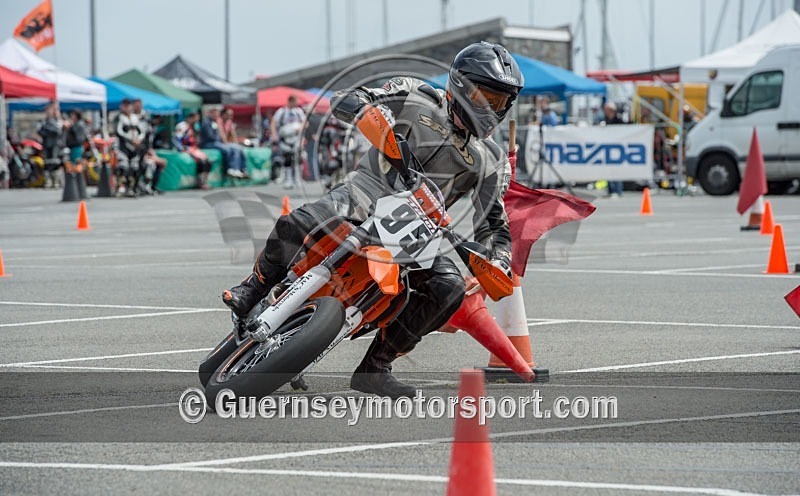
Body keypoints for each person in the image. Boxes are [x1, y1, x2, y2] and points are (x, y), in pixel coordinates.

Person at [222, 42, 523, 398]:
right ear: (461, 83)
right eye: (486, 95)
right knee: (301, 220)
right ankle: (252, 287)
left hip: (420, 230)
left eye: (501, 101)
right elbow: (350, 97)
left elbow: (493, 222)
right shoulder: (416, 94)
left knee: (450, 288)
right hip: (365, 194)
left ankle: (376, 368)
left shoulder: (492, 159)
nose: (492, 107)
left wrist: (499, 260)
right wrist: (361, 106)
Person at [201, 106, 248, 179]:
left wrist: (235, 142)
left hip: (218, 142)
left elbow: (233, 133)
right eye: (214, 114)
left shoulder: (218, 122)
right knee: (227, 149)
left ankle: (240, 169)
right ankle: (229, 168)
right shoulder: (208, 122)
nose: (216, 116)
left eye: (217, 114)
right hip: (210, 143)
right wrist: (224, 142)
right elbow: (216, 135)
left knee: (238, 149)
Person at [270, 95, 306, 188]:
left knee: (298, 159)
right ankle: (288, 180)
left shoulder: (299, 111)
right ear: (290, 101)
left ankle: (298, 179)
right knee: (287, 158)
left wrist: (300, 129)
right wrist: (274, 136)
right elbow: (273, 123)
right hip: (286, 139)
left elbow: (305, 122)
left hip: (296, 138)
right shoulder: (281, 111)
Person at [113, 98, 146, 196]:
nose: (127, 108)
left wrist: (139, 139)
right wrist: (130, 139)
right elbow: (119, 131)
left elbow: (142, 131)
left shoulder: (135, 118)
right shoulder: (119, 117)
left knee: (134, 167)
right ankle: (120, 187)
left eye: (128, 105)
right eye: (125, 106)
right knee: (123, 167)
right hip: (123, 146)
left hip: (135, 146)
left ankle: (132, 188)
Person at [173, 112, 211, 190]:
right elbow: (176, 139)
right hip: (186, 147)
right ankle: (200, 182)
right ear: (191, 118)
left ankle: (204, 181)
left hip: (194, 148)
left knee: (208, 161)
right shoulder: (182, 126)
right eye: (195, 119)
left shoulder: (195, 126)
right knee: (201, 161)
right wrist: (181, 148)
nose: (196, 121)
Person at [36, 102, 65, 188]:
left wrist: (48, 131)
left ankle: (55, 181)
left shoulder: (57, 121)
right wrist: (48, 131)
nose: (49, 112)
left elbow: (58, 131)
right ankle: (48, 181)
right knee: (46, 162)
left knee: (55, 162)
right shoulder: (43, 121)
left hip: (55, 144)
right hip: (46, 144)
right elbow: (40, 131)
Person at [601, 101, 625, 197]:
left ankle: (618, 190)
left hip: (618, 148)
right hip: (607, 148)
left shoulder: (619, 120)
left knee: (617, 169)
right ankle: (611, 190)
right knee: (608, 169)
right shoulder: (604, 120)